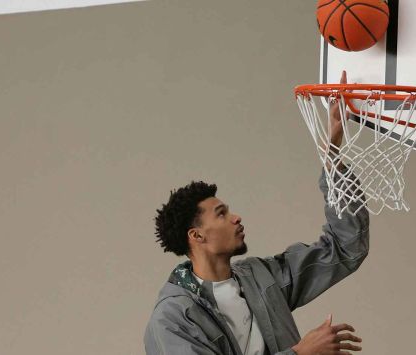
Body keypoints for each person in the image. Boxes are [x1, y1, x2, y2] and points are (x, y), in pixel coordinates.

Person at [144, 73, 369, 355]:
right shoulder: (173, 318)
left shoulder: (261, 278)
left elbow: (345, 247)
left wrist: (332, 155)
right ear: (197, 235)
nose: (236, 217)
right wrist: (300, 354)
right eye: (222, 214)